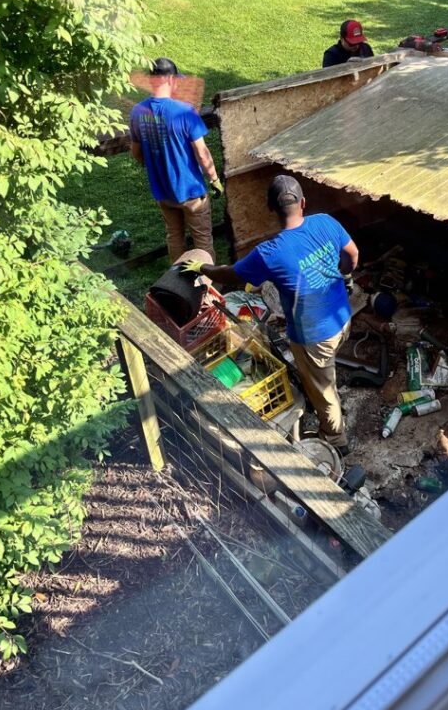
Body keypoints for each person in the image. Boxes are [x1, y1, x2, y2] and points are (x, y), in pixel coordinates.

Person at [187, 175, 359, 455]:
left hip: (313, 336)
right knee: (327, 366)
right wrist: (345, 276)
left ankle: (336, 440)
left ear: (270, 209)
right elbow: (352, 254)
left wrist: (203, 269)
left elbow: (230, 273)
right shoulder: (326, 222)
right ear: (303, 203)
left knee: (324, 390)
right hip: (343, 318)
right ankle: (329, 381)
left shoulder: (269, 253)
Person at [129, 57, 222, 263]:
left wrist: (153, 164)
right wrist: (215, 180)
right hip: (191, 192)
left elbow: (135, 151)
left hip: (163, 191)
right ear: (171, 80)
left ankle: (176, 287)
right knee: (203, 242)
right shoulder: (184, 112)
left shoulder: (138, 112)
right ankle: (209, 287)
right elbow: (202, 153)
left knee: (174, 238)